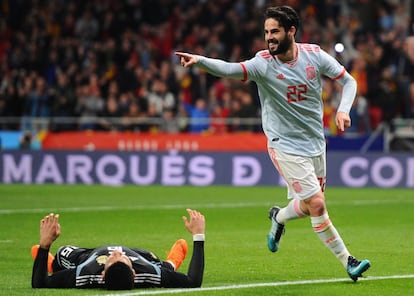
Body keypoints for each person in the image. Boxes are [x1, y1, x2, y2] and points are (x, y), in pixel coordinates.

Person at [176, 6, 370, 281]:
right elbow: (231, 70)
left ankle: (278, 217)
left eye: (275, 31)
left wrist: (343, 110)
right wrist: (200, 60)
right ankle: (349, 262)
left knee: (307, 206)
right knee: (317, 204)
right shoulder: (263, 63)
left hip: (315, 143)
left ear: (291, 31)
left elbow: (348, 81)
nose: (269, 37)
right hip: (284, 144)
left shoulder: (314, 55)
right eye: (266, 32)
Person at [31, 209, 205, 290]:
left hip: (87, 256)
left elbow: (40, 283)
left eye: (111, 260)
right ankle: (172, 262)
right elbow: (193, 281)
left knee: (62, 254)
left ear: (103, 274)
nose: (117, 253)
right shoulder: (147, 272)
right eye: (121, 258)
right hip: (139, 256)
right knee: (162, 266)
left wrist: (45, 245)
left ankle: (50, 262)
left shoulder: (85, 273)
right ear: (134, 273)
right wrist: (198, 236)